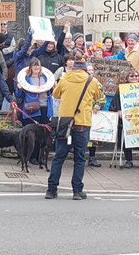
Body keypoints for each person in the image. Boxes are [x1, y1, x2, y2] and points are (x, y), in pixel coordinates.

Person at [45, 52, 103, 200]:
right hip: (82, 123)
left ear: (73, 69)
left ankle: (51, 190)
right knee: (79, 158)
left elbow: (56, 94)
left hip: (65, 123)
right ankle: (77, 191)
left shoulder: (64, 79)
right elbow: (98, 96)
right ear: (84, 69)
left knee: (59, 157)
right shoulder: (92, 81)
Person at [15, 58, 54, 126]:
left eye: (38, 65)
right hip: (32, 109)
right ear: (30, 67)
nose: (37, 67)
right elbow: (19, 95)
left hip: (45, 107)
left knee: (45, 130)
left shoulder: (45, 78)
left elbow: (50, 93)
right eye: (34, 65)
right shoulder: (26, 79)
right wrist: (19, 89)